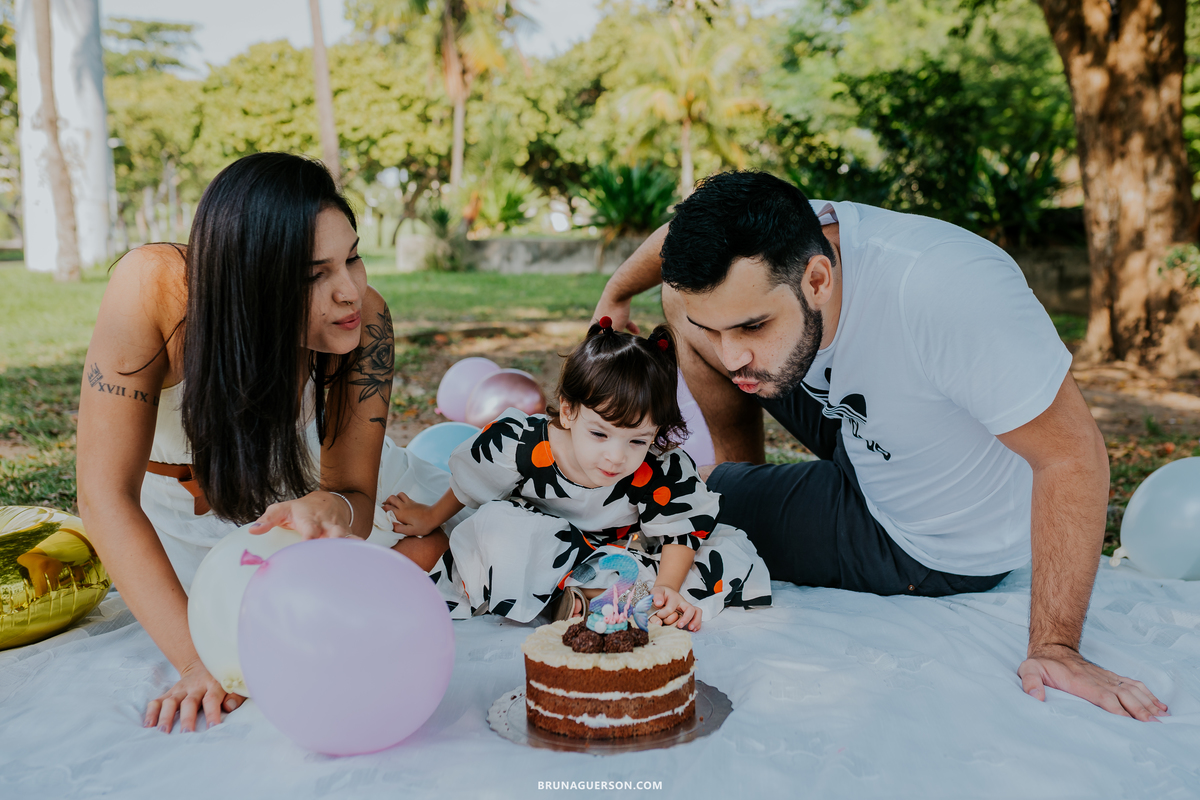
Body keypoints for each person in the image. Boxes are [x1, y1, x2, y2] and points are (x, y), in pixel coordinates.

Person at [592, 170, 1167, 722]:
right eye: (721, 332)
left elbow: (1072, 454)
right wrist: (617, 293)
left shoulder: (948, 291)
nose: (731, 354)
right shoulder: (784, 230)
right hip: (865, 426)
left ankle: (736, 494)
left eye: (750, 326)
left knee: (682, 502)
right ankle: (749, 477)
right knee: (683, 315)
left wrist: (1057, 646)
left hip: (927, 536)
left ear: (819, 278)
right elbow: (682, 236)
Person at [76, 153, 453, 735]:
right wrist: (197, 659)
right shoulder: (153, 291)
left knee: (472, 544)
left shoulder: (367, 322)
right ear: (250, 279)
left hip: (307, 507)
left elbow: (353, 492)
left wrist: (334, 505)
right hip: (178, 527)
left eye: (353, 257)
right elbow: (104, 496)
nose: (350, 291)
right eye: (313, 275)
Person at [384, 319, 772, 630]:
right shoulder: (524, 445)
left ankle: (607, 600)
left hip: (615, 553)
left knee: (726, 553)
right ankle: (564, 599)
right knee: (497, 531)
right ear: (568, 411)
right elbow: (474, 481)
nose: (616, 456)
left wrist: (666, 587)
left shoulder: (657, 468)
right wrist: (432, 516)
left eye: (637, 440)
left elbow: (678, 530)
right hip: (538, 543)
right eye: (600, 433)